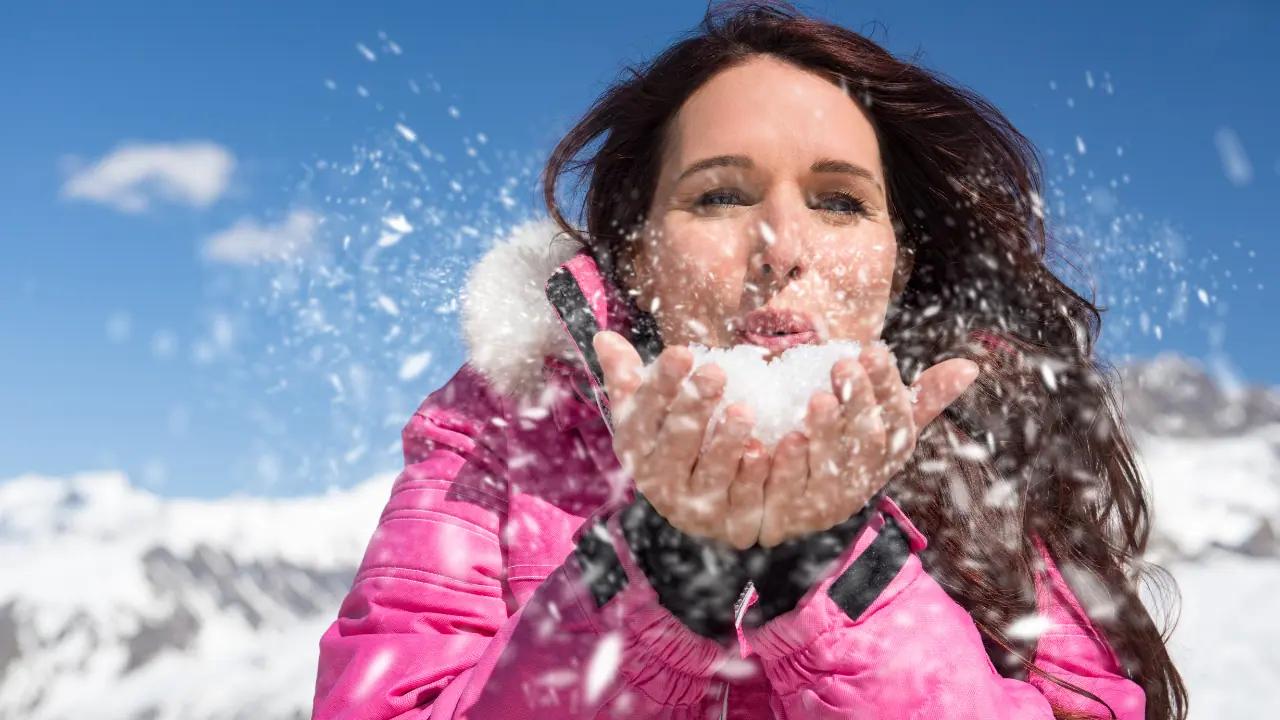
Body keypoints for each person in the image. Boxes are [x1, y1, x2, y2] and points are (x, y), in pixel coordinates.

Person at [310, 3, 1186, 719]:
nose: (780, 247)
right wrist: (666, 566)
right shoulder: (503, 437)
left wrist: (833, 565)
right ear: (637, 247)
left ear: (899, 261)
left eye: (840, 202)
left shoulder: (977, 445)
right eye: (721, 195)